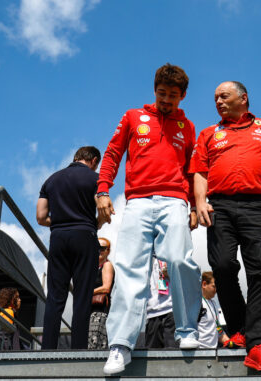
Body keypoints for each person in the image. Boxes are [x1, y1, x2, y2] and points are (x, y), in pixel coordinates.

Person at [96, 63, 202, 375]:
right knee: (130, 270)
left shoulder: (188, 127)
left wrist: (196, 206)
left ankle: (187, 330)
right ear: (154, 90)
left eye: (172, 95)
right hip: (138, 201)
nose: (166, 100)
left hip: (174, 201)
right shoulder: (133, 117)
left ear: (182, 96)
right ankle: (120, 345)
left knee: (181, 260)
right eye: (161, 93)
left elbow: (192, 170)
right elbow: (113, 153)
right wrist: (103, 190)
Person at [190, 81, 261, 375]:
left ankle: (259, 343)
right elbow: (199, 171)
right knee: (222, 266)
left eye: (224, 96)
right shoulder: (209, 134)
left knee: (260, 272)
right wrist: (199, 201)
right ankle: (240, 327)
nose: (218, 102)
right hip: (219, 207)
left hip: (257, 207)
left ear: (243, 98)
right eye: (215, 98)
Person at [37, 146, 101, 349]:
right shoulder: (95, 179)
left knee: (55, 295)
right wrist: (93, 223)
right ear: (94, 160)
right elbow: (105, 211)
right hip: (84, 235)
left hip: (58, 237)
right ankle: (79, 348)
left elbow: (40, 217)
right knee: (82, 295)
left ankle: (47, 347)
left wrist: (58, 222)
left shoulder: (51, 179)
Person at [88, 237, 115, 349]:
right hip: (90, 309)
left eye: (102, 248)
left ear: (108, 251)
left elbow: (106, 288)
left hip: (99, 311)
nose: (99, 251)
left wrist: (88, 292)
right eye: (96, 248)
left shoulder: (107, 265)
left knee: (95, 343)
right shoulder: (93, 266)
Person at [145, 257, 176, 348]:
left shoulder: (171, 253)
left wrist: (170, 271)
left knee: (172, 356)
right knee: (151, 357)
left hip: (171, 311)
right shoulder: (146, 255)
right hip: (151, 313)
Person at [197, 271, 229, 349]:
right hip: (199, 352)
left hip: (213, 351)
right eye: (214, 286)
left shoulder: (214, 304)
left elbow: (219, 330)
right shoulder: (196, 303)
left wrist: (230, 342)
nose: (216, 290)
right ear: (204, 284)